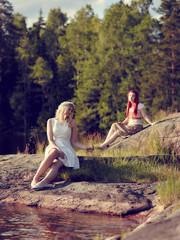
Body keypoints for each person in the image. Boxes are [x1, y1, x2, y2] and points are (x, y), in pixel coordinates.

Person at [31, 101, 94, 190]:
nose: (70, 112)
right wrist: (58, 149)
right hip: (53, 146)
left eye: (72, 111)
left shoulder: (72, 123)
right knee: (54, 151)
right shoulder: (51, 121)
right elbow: (50, 140)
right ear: (62, 109)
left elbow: (74, 142)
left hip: (67, 149)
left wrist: (86, 147)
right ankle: (35, 178)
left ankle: (43, 182)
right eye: (69, 109)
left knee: (55, 165)